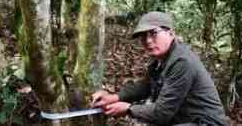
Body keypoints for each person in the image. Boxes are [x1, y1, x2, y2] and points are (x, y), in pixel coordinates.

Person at [91, 11, 230, 126]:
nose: (148, 41)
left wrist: (128, 109)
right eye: (143, 36)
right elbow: (146, 87)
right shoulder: (161, 61)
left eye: (153, 33)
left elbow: (161, 113)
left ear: (170, 33)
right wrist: (114, 97)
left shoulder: (182, 62)